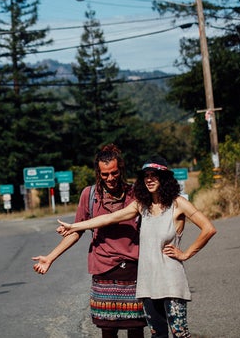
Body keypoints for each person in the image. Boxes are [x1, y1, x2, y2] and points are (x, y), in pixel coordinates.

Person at [57, 156, 217, 338]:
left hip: (171, 281)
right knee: (158, 335)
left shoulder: (178, 203)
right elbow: (108, 218)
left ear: (164, 178)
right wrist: (74, 226)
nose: (149, 179)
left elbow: (208, 228)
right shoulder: (142, 206)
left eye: (154, 175)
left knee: (180, 333)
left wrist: (186, 254)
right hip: (147, 283)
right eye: (145, 176)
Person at [32, 144, 145, 338]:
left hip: (134, 269)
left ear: (122, 169)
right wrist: (50, 257)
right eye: (104, 174)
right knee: (108, 330)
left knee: (136, 328)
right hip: (103, 269)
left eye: (114, 173)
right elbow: (76, 231)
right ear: (98, 173)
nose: (110, 178)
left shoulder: (136, 193)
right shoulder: (90, 195)